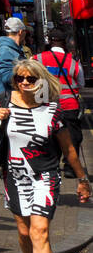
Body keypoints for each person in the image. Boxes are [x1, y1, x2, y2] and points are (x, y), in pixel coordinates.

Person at [0, 58, 91, 253]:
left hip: (45, 175)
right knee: (24, 232)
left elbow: (68, 149)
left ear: (40, 81)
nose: (24, 83)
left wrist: (82, 179)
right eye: (19, 79)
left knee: (40, 231)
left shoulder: (52, 109)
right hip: (13, 175)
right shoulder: (3, 102)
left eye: (30, 79)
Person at [38, 27, 84, 176]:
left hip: (46, 105)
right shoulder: (73, 62)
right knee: (72, 136)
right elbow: (81, 83)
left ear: (49, 42)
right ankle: (71, 168)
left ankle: (51, 165)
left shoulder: (37, 59)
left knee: (49, 136)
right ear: (65, 43)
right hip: (70, 106)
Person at [0, 17, 26, 102]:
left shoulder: (13, 49)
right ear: (20, 32)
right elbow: (7, 78)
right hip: (7, 102)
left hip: (12, 99)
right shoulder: (6, 51)